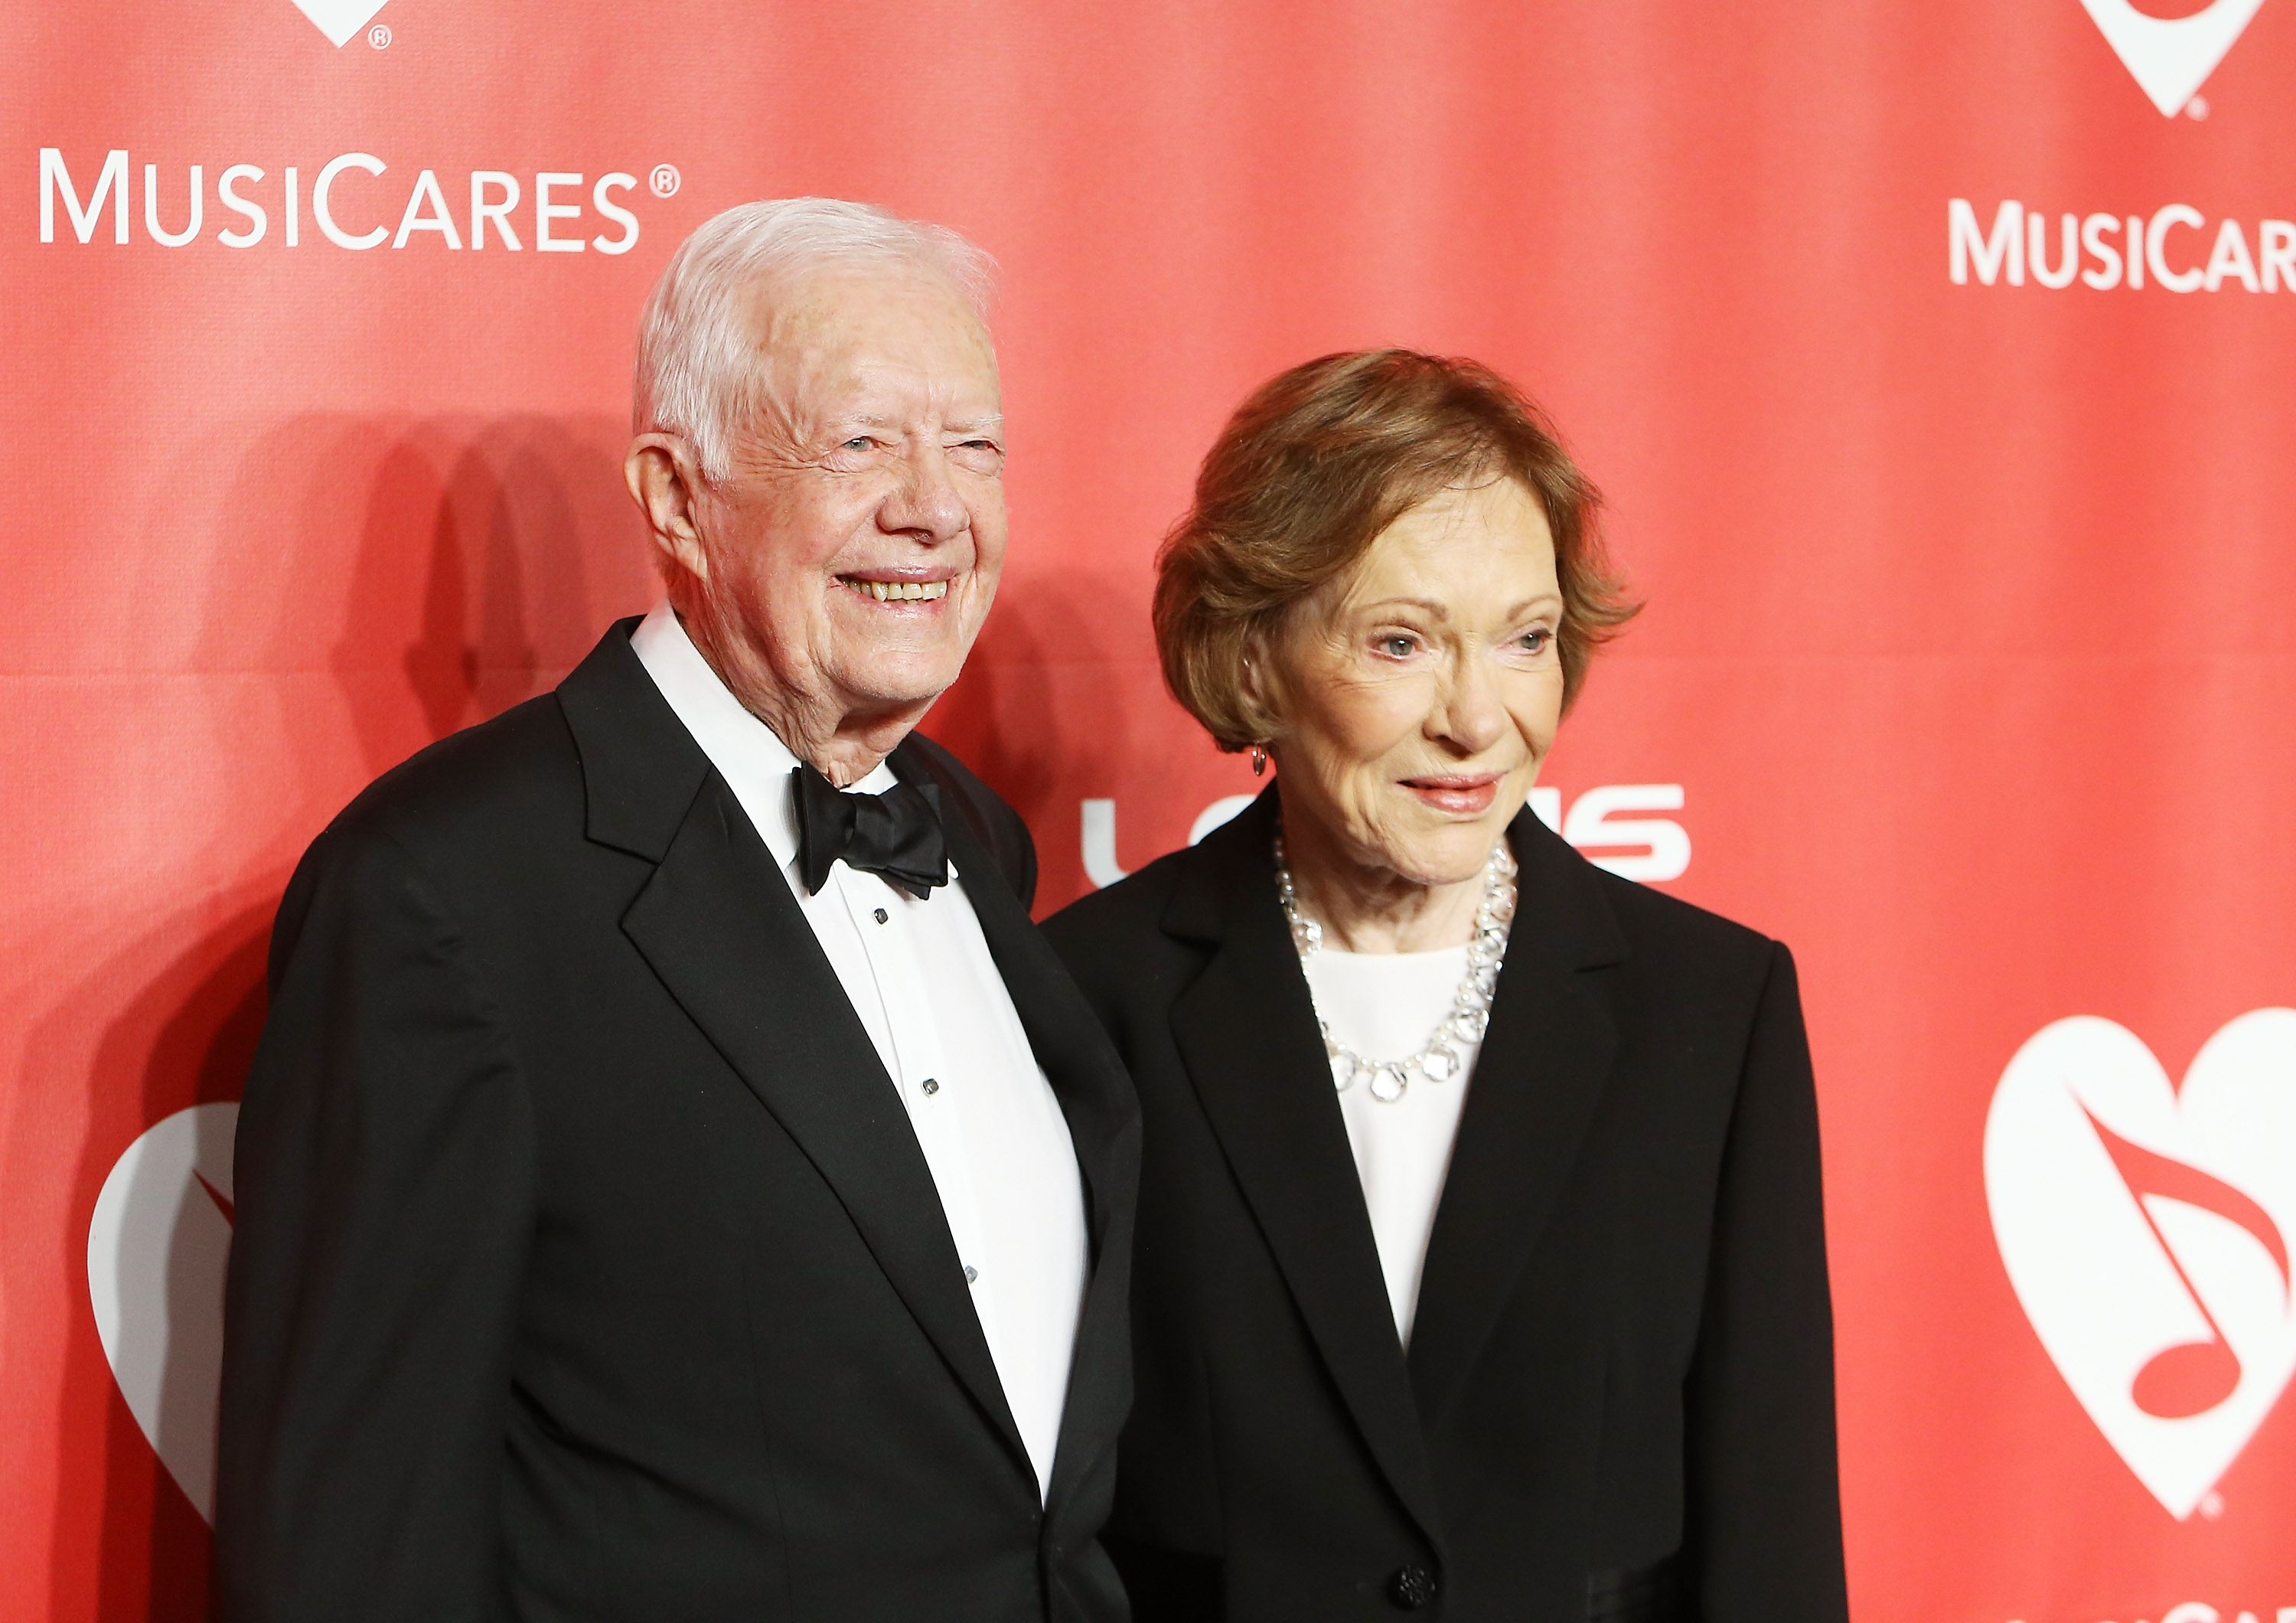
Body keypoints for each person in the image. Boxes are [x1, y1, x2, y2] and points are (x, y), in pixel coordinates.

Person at [217, 199, 1138, 1622]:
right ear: (673, 496)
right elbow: (356, 1543)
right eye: (860, 443)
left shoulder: (973, 835)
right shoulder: (444, 894)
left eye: (974, 445)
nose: (936, 508)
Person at [1044, 351, 1847, 1622]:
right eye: (1403, 642)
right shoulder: (1088, 999)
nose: (1477, 719)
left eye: (1525, 640)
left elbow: (1772, 1529)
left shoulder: (1707, 1007)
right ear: (1251, 661)